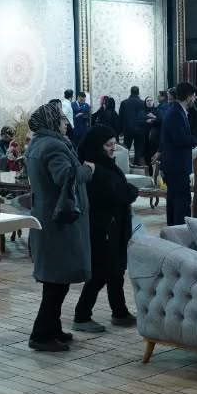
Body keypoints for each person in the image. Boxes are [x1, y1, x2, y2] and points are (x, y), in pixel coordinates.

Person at [25, 103, 95, 352]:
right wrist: (87, 169)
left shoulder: (37, 144)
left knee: (55, 278)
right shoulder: (53, 146)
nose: (67, 124)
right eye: (63, 120)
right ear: (53, 122)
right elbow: (66, 177)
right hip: (59, 223)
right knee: (57, 281)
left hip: (46, 217)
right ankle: (41, 334)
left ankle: (53, 328)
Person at [71, 125, 139, 333]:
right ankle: (82, 316)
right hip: (103, 229)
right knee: (101, 272)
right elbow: (120, 193)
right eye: (108, 145)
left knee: (116, 271)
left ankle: (119, 312)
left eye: (114, 144)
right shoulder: (94, 168)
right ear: (97, 146)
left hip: (113, 227)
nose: (113, 148)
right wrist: (131, 191)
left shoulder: (104, 165)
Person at [160, 81, 197, 226]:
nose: (195, 99)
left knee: (175, 202)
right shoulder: (176, 113)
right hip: (177, 166)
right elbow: (180, 139)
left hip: (174, 165)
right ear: (188, 98)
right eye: (193, 96)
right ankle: (179, 233)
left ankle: (173, 232)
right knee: (181, 203)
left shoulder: (175, 110)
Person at [119, 85, 147, 164]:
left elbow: (121, 118)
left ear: (130, 92)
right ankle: (136, 166)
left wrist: (120, 130)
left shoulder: (124, 103)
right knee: (138, 149)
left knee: (125, 149)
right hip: (140, 130)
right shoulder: (142, 103)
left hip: (128, 130)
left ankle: (125, 165)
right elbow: (145, 117)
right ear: (138, 93)